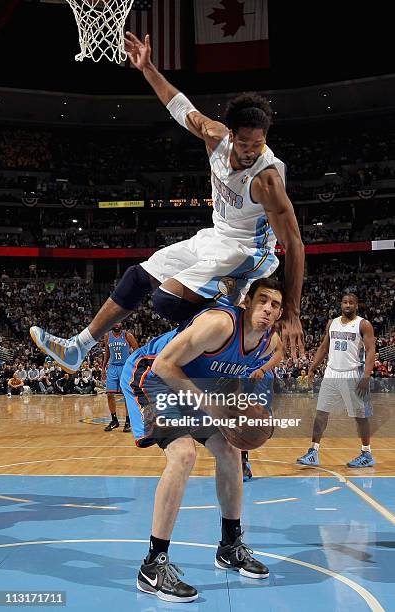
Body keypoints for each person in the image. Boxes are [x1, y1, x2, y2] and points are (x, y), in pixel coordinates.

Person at [29, 32, 304, 372]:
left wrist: (292, 311)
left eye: (258, 145)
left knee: (165, 299)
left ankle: (226, 344)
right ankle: (78, 347)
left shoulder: (267, 180)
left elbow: (294, 244)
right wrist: (147, 68)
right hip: (216, 238)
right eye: (245, 144)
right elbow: (179, 106)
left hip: (248, 253)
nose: (251, 152)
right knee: (137, 277)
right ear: (230, 135)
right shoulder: (214, 136)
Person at [120, 278, 283, 602]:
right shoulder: (219, 324)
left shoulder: (266, 342)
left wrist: (233, 414)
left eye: (275, 305)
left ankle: (230, 547)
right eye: (262, 300)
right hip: (151, 376)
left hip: (195, 386)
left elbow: (233, 376)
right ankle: (152, 566)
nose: (267, 309)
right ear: (247, 302)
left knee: (229, 450)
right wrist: (209, 405)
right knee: (184, 455)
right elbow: (165, 365)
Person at [297, 293, 376, 468]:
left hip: (352, 374)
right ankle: (313, 452)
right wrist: (312, 367)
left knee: (360, 417)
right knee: (321, 413)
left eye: (351, 303)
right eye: (345, 302)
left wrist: (366, 376)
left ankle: (367, 453)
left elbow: (371, 351)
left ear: (357, 305)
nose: (348, 305)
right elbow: (324, 347)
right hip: (331, 373)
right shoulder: (332, 323)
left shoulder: (363, 324)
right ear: (341, 304)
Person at [241, 331, 284, 481]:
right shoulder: (234, 327)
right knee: (238, 420)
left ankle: (266, 416)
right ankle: (242, 462)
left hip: (261, 376)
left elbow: (279, 353)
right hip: (238, 374)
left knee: (253, 422)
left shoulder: (268, 331)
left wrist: (263, 369)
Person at [102, 323, 138, 432]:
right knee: (109, 394)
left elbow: (137, 351)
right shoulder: (107, 336)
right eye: (115, 322)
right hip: (112, 367)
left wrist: (134, 366)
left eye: (119, 322)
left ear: (121, 323)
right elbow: (107, 353)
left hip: (125, 367)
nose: (117, 324)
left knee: (126, 395)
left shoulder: (127, 335)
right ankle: (114, 420)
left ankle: (128, 422)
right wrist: (103, 368)